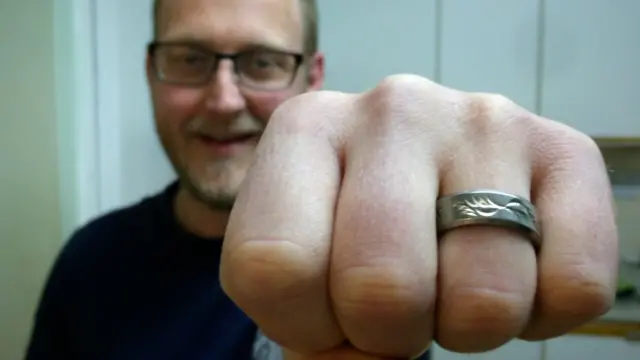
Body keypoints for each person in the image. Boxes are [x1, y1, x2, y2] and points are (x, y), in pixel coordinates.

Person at [25, 0, 618, 359]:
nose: (224, 97)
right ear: (151, 72)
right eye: (189, 59)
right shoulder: (88, 260)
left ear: (312, 77)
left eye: (261, 62)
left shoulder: (380, 251)